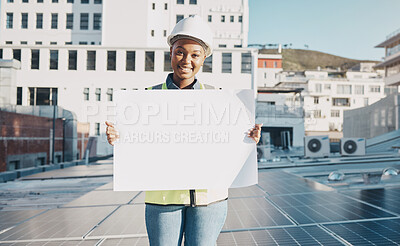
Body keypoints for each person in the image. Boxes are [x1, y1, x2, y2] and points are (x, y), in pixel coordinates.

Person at [105, 15, 262, 246]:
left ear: (204, 58)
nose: (186, 60)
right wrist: (119, 137)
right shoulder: (145, 99)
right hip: (164, 200)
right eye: (180, 51)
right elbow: (135, 143)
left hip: (210, 199)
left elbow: (229, 145)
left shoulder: (220, 99)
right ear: (171, 52)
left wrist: (248, 138)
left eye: (195, 54)